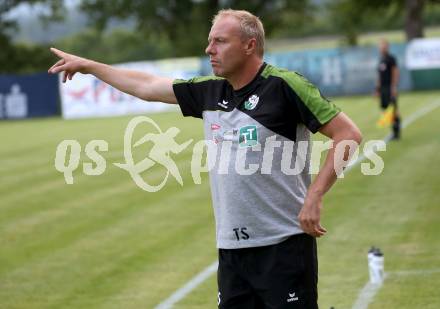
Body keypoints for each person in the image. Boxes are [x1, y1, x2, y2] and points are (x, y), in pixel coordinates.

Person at [49, 9, 362, 309]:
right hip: (232, 250)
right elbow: (146, 86)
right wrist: (90, 66)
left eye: (220, 41)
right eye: (211, 40)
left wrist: (315, 196)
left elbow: (348, 135)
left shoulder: (284, 86)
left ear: (249, 45)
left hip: (284, 246)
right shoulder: (209, 92)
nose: (209, 48)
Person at [375, 39, 401, 140]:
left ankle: (396, 132)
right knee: (386, 110)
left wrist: (394, 87)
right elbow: (379, 76)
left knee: (393, 109)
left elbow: (395, 72)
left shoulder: (391, 59)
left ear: (387, 47)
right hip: (383, 89)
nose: (382, 48)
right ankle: (393, 131)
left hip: (389, 87)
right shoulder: (381, 59)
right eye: (380, 46)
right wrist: (377, 89)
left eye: (384, 46)